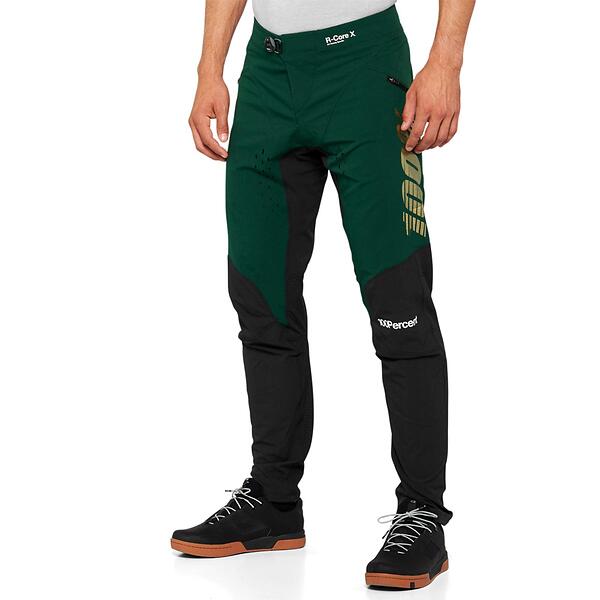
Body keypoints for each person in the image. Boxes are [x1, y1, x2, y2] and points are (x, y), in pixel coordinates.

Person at [171, 0, 474, 589]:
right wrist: (210, 69)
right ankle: (274, 500)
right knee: (260, 297)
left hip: (365, 69)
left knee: (399, 302)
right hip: (268, 73)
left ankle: (422, 512)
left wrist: (446, 62)